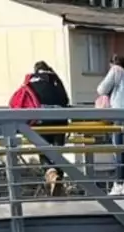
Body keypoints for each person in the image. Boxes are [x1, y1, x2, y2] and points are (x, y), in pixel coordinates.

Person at [96, 55, 124, 196]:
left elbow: (101, 89)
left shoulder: (116, 70)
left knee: (118, 150)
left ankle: (119, 184)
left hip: (120, 114)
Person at [27, 61, 71, 196]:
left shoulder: (30, 82)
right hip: (59, 121)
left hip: (40, 121)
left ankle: (51, 173)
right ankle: (58, 179)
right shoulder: (55, 80)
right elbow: (65, 100)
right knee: (57, 151)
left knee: (43, 149)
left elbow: (27, 102)